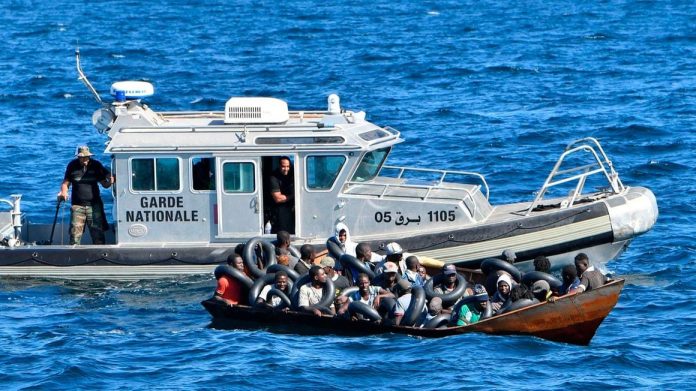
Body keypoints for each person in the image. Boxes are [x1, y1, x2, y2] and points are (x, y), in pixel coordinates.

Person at [58, 145, 114, 245]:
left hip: (94, 206)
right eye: (82, 157)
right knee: (75, 235)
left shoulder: (96, 165)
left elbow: (105, 184)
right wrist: (63, 192)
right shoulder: (72, 165)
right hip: (77, 205)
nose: (84, 159)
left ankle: (100, 255)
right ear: (78, 157)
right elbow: (66, 182)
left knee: (98, 235)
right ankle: (74, 255)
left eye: (86, 157)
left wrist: (110, 181)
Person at [269, 156, 295, 234]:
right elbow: (278, 198)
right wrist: (294, 196)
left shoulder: (293, 173)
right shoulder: (273, 178)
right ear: (279, 166)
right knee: (281, 231)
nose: (286, 169)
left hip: (291, 208)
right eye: (283, 166)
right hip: (279, 209)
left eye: (288, 166)